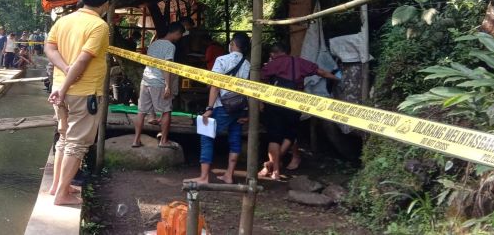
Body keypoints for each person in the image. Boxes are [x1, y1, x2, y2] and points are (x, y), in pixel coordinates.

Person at [45, 0, 113, 206]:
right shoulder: (99, 25)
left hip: (59, 90)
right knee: (76, 144)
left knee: (64, 139)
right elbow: (83, 60)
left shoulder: (63, 20)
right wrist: (66, 86)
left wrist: (63, 74)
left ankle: (57, 186)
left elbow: (50, 48)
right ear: (105, 3)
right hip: (83, 93)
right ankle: (62, 194)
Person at [258, 42, 341, 179]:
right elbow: (321, 72)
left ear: (273, 54)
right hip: (294, 103)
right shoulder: (299, 62)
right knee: (289, 135)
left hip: (273, 103)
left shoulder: (271, 65)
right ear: (287, 51)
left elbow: (260, 81)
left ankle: (275, 171)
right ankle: (273, 166)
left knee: (274, 137)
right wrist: (337, 79)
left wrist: (261, 102)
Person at [186, 32, 251, 185]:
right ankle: (229, 175)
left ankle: (204, 177)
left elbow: (215, 86)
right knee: (235, 139)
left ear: (233, 44)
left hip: (222, 106)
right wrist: (247, 112)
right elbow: (251, 91)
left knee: (206, 136)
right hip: (240, 108)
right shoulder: (248, 65)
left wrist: (209, 108)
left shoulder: (222, 60)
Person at [131, 21, 185, 149]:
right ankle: (164, 141)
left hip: (146, 80)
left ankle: (136, 140)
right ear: (176, 33)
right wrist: (168, 85)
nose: (180, 38)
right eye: (180, 35)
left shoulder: (153, 44)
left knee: (141, 112)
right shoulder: (170, 46)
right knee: (166, 111)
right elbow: (166, 66)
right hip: (159, 82)